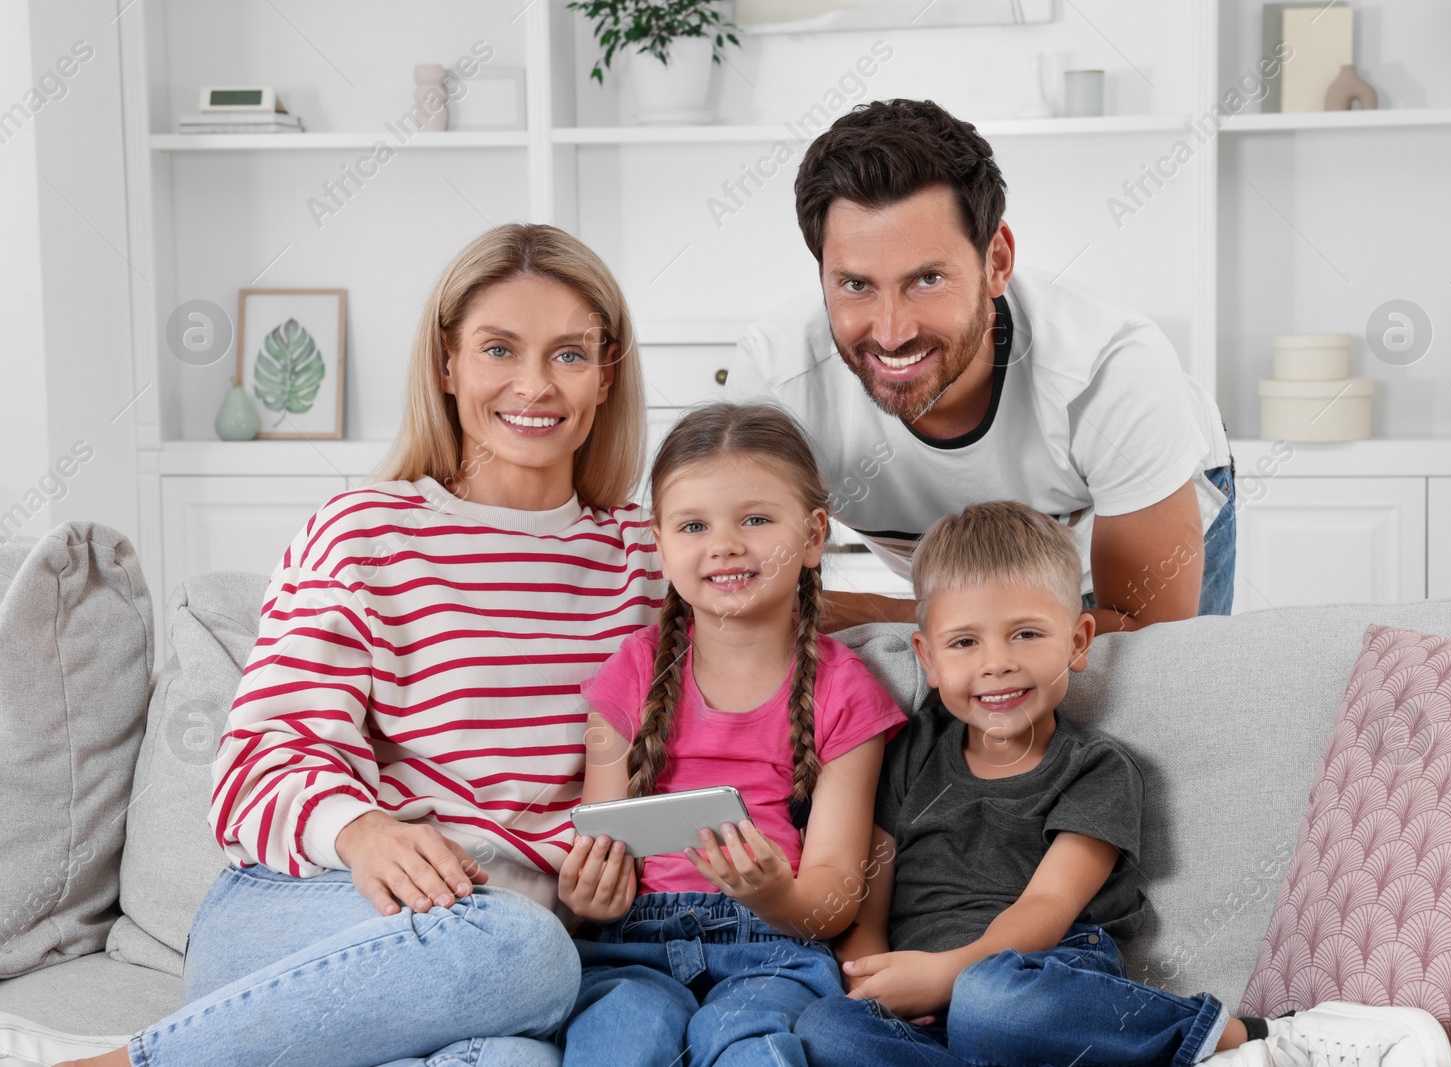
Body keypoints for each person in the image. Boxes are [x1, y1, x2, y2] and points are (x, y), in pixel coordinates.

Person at [57, 223, 666, 1067]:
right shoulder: (365, 532)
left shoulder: (647, 557)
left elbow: (772, 616)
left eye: (569, 354)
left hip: (494, 947)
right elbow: (255, 766)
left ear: (607, 375)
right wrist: (362, 830)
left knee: (519, 1053)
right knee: (526, 953)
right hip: (314, 908)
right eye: (499, 349)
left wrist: (611, 868)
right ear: (448, 364)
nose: (535, 384)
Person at [793, 501, 1451, 1067]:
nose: (996, 663)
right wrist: (870, 980)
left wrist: (947, 974)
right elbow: (864, 901)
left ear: (1079, 641)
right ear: (926, 658)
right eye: (964, 642)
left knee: (990, 1004)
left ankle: (1253, 1038)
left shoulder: (1096, 769)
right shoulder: (910, 752)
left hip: (1040, 976)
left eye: (1026, 633)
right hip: (926, 1004)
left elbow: (1044, 911)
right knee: (826, 1028)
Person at [726, 99, 1237, 636]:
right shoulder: (776, 385)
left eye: (927, 280)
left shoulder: (1109, 372)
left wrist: (898, 616)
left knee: (1148, 706)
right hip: (950, 577)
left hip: (1108, 549)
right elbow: (742, 589)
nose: (891, 332)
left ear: (996, 263)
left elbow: (1149, 640)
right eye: (856, 285)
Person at [556, 402, 907, 1067]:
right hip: (631, 947)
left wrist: (776, 893)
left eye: (755, 519)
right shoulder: (629, 671)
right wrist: (585, 895)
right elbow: (598, 840)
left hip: (773, 948)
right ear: (661, 545)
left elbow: (834, 896)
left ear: (812, 537)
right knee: (619, 1037)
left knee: (750, 1045)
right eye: (694, 525)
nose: (724, 544)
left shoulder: (845, 689)